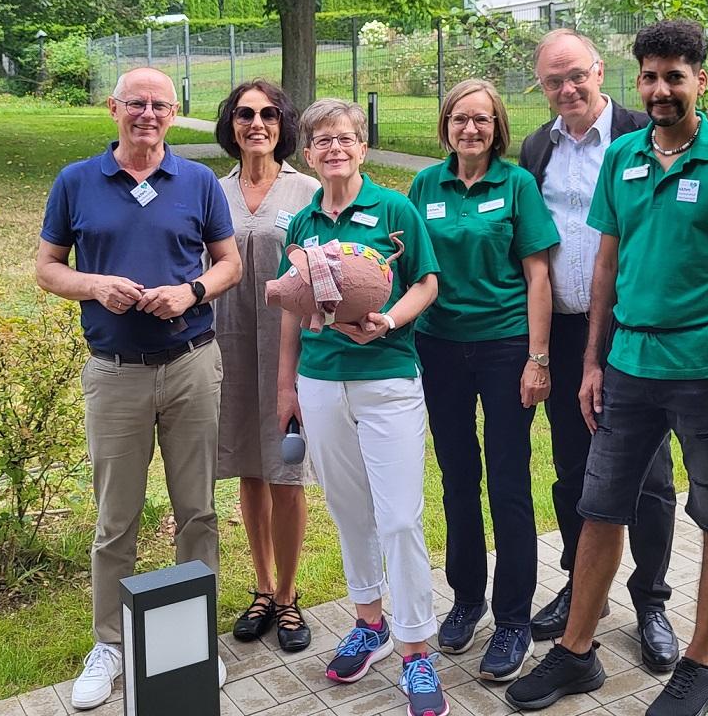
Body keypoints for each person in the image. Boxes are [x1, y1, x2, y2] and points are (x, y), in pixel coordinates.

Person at [507, 20, 708, 716]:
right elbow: (607, 265)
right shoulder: (625, 158)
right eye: (652, 77)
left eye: (676, 77)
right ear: (638, 79)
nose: (662, 90)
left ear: (701, 82)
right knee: (599, 506)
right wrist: (594, 361)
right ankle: (576, 654)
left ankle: (703, 663)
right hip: (628, 367)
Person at [36, 67, 243, 711]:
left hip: (190, 362)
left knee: (198, 511)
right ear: (113, 109)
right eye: (135, 104)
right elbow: (46, 268)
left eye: (159, 105)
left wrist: (193, 290)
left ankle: (193, 641)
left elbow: (229, 261)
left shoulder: (200, 180)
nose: (147, 114)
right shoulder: (76, 181)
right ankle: (110, 645)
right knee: (114, 519)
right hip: (115, 372)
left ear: (174, 112)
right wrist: (95, 285)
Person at [275, 99, 448, 716]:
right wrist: (286, 387)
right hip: (321, 381)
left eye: (345, 139)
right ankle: (370, 621)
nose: (334, 150)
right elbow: (294, 305)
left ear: (363, 147)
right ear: (307, 152)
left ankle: (416, 651)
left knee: (399, 516)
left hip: (388, 377)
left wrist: (390, 321)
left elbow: (426, 281)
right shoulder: (302, 225)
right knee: (350, 511)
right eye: (321, 141)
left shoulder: (395, 209)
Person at [518, 29, 680, 672]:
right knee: (573, 467)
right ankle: (583, 587)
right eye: (553, 81)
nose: (567, 90)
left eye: (576, 76)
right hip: (560, 330)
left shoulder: (646, 131)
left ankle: (652, 600)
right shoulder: (537, 147)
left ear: (601, 70)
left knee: (649, 474)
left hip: (633, 332)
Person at [406, 80, 560, 682]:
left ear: (497, 127)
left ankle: (514, 617)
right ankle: (467, 598)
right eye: (460, 119)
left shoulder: (517, 184)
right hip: (439, 348)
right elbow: (410, 267)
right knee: (456, 478)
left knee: (508, 479)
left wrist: (538, 357)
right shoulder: (426, 185)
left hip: (504, 348)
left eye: (483, 120)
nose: (471, 129)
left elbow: (538, 277)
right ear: (445, 125)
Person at [211, 80, 319, 652]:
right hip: (226, 345)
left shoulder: (308, 192)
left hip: (288, 352)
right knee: (249, 468)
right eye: (245, 113)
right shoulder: (211, 190)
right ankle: (260, 587)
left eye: (269, 114)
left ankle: (289, 595)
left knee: (286, 471)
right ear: (230, 123)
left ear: (284, 124)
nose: (257, 123)